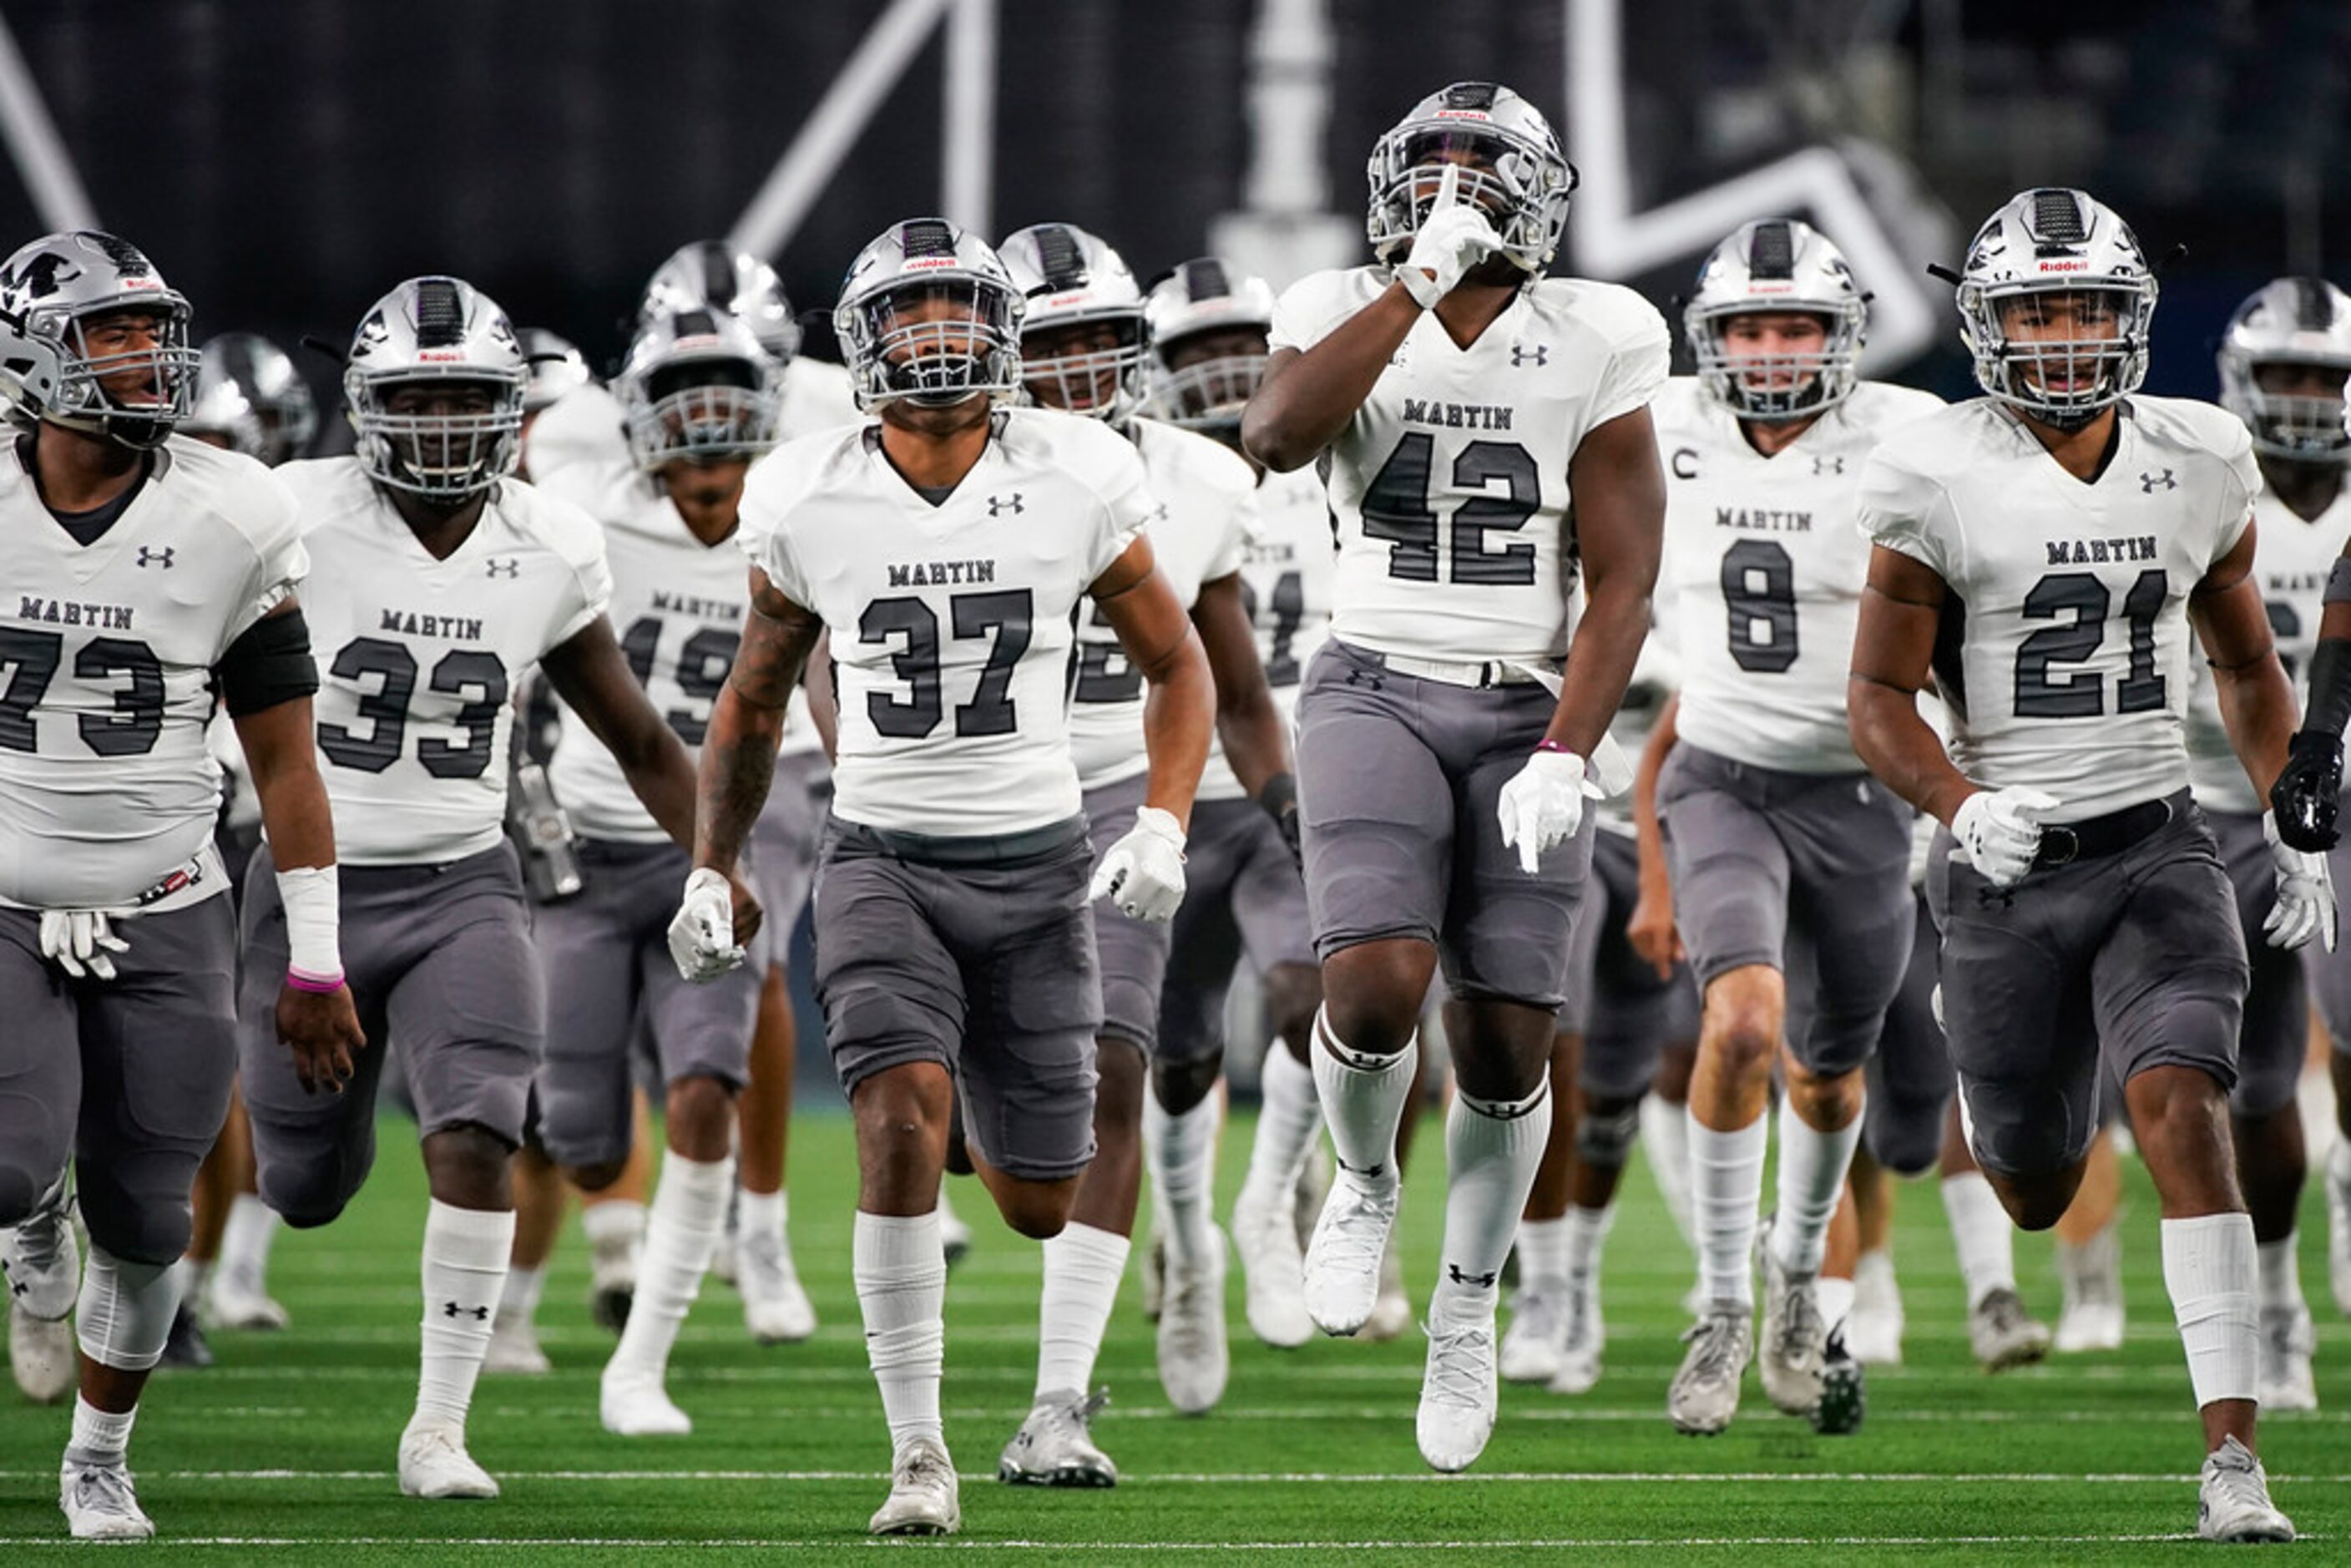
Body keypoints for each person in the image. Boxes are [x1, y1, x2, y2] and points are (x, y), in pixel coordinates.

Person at [666, 217, 1212, 1536]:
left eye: (955, 309)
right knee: (898, 1117)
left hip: (1038, 869)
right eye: (905, 316)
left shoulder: (1076, 471)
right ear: (860, 342)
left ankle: (971, 1077)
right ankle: (920, 1453)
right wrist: (712, 867)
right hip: (882, 857)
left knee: (1036, 1201)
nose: (933, 338)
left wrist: (1163, 823)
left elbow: (1177, 665)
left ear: (1001, 327)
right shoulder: (806, 487)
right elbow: (748, 704)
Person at [1850, 186, 2318, 1543]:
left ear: (2136, 319)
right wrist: (1955, 799)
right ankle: (1996, 1059)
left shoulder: (2199, 454)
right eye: (2034, 310)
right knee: (2034, 1179)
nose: (2062, 336)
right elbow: (1874, 696)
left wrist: (2290, 809)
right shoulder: (1933, 468)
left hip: (2159, 845)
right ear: (1986, 326)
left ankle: (2232, 1454)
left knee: (2183, 1104)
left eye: (2087, 308)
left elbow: (2242, 657)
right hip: (2003, 869)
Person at [241, 276, 747, 1501]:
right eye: (419, 398)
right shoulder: (286, 514)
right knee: (303, 1187)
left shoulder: (549, 541)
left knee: (481, 1130)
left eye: (470, 395)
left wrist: (713, 864)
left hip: (467, 876)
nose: (445, 422)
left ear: (513, 405)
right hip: (309, 871)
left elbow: (633, 735)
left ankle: (441, 1428)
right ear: (364, 406)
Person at [1242, 80, 1668, 1473]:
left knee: (1505, 1044)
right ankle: (1362, 1182)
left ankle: (1470, 1308)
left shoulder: (1598, 331)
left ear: (1537, 196)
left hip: (1525, 705)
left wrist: (1568, 748)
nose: (1454, 196)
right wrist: (1416, 282)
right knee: (1368, 981)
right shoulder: (1332, 298)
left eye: (1480, 176)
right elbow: (1279, 432)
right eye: (1432, 175)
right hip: (1369, 677)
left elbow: (1622, 582)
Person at [0, 230, 360, 1540]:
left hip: (168, 894)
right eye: (111, 333)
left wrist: (313, 958)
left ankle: (99, 1454)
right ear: (34, 355)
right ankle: (30, 1224)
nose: (150, 359)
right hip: (4, 890)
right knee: (6, 1161)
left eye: (154, 332)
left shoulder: (233, 511)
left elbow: (286, 757)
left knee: (151, 1215)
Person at [1632, 219, 1942, 1434]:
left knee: (1828, 1077)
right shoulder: (1659, 425)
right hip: (1720, 775)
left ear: (1843, 335)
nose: (1769, 351)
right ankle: (1718, 1304)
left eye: (1797, 325)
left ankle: (1797, 1278)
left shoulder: (1908, 434)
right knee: (1742, 1020)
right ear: (1711, 338)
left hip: (1861, 792)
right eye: (1750, 327)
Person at [988, 224, 1287, 1481]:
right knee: (976, 1141)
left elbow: (1232, 680)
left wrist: (1295, 818)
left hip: (1129, 791)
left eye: (1103, 344)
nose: (1078, 372)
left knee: (1121, 1065)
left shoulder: (1200, 480)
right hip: (964, 802)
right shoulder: (920, 470)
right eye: (1049, 346)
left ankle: (1060, 1399)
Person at [527, 306, 806, 1431]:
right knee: (583, 1136)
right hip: (593, 849)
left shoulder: (800, 510)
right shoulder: (579, 517)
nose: (707, 425)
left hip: (724, 837)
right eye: (682, 397)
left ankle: (642, 1360)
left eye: (728, 396)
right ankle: (613, 1235)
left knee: (706, 1081)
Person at [1140, 257, 1334, 1352]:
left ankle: (1265, 1208)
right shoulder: (1133, 482)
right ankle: (1187, 1240)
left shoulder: (1330, 466)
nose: (1220, 375)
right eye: (1193, 355)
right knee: (1175, 1056)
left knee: (1319, 997)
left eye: (1238, 349)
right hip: (1162, 800)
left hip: (1288, 790)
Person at [2200, 280, 2351, 1400]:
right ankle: (2281, 1298)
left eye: (2326, 376)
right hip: (2216, 803)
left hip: (2345, 802)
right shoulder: (2201, 484)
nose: (2305, 399)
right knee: (2252, 1086)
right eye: (2288, 374)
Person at [164, 329, 321, 1369]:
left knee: (208, 1063)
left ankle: (182, 1281)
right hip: (121, 800)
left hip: (243, 808)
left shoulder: (305, 532)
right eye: (211, 437)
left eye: (248, 439)